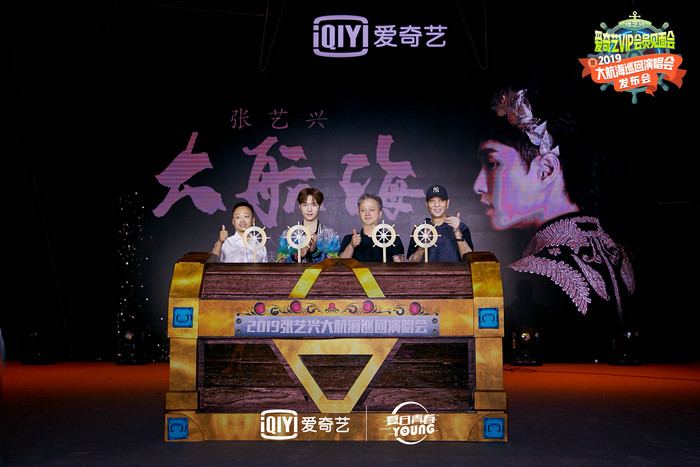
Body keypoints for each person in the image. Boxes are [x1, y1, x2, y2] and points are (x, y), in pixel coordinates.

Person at [472, 88, 635, 363]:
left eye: (492, 164)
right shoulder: (622, 255)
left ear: (546, 170)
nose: (478, 185)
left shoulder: (525, 276)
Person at [407, 185, 473, 262]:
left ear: (447, 203)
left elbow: (470, 260)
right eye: (432, 201)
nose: (437, 205)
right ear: (427, 204)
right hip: (427, 270)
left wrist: (457, 232)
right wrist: (422, 245)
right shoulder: (420, 231)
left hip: (455, 270)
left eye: (441, 200)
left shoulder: (461, 227)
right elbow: (411, 263)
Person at [277, 187, 341, 263]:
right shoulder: (287, 235)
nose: (309, 209)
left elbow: (334, 265)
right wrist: (297, 255)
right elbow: (280, 265)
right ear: (299, 206)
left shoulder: (332, 236)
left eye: (314, 205)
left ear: (320, 206)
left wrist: (315, 251)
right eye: (305, 205)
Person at [339, 193, 405, 262]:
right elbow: (341, 265)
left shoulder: (391, 238)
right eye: (363, 210)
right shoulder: (349, 239)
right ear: (359, 214)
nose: (367, 214)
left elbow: (400, 266)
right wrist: (351, 246)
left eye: (372, 210)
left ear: (380, 214)